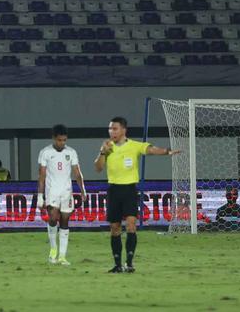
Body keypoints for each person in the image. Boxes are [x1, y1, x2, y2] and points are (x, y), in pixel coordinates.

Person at [94, 116, 180, 273]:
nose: (111, 131)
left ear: (123, 130)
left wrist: (167, 151)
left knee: (131, 225)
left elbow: (151, 149)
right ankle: (117, 264)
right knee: (115, 228)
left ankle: (129, 263)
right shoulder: (107, 147)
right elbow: (98, 168)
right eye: (110, 128)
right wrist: (102, 152)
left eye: (115, 128)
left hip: (129, 190)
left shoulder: (134, 146)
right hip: (113, 190)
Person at [36, 124, 86, 266]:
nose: (62, 143)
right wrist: (40, 196)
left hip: (66, 192)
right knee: (52, 218)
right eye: (59, 140)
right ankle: (53, 250)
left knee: (65, 221)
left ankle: (62, 256)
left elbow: (77, 173)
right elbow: (41, 175)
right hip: (51, 191)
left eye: (64, 140)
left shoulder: (71, 152)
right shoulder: (45, 152)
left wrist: (83, 190)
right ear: (53, 138)